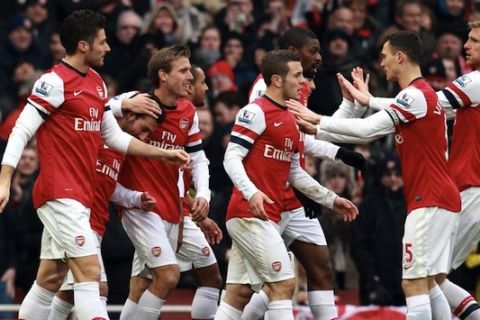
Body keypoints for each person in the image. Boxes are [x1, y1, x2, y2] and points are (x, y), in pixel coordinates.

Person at [0, 10, 188, 320]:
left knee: (49, 278)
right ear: (84, 45)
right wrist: (5, 178)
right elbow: (21, 129)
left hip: (80, 197)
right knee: (89, 273)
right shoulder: (53, 81)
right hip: (60, 193)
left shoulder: (97, 84)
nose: (108, 47)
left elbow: (115, 137)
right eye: (102, 41)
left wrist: (164, 154)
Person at [289, 31, 462, 320]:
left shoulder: (414, 95)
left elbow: (367, 131)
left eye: (383, 56)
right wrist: (366, 101)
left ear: (399, 56)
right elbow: (386, 113)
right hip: (440, 198)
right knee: (431, 284)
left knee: (413, 283)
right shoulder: (422, 95)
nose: (381, 63)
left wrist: (316, 120)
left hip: (429, 200)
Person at [215, 49, 358, 320]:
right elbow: (231, 157)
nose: (302, 81)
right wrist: (252, 191)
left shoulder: (291, 120)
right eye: (297, 75)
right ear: (277, 80)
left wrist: (331, 199)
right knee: (283, 284)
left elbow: (293, 172)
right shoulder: (254, 112)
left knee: (237, 294)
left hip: (267, 213)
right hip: (249, 214)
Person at [362, 19, 480, 319]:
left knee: (422, 276)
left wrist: (370, 100)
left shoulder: (476, 81)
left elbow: (427, 103)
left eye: (474, 40)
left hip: (469, 187)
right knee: (433, 278)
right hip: (465, 190)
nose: (466, 46)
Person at [112, 45, 212, 320]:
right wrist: (123, 104)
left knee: (144, 283)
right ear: (163, 75)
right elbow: (96, 110)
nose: (190, 77)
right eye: (183, 71)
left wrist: (202, 194)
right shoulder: (135, 102)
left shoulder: (188, 112)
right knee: (168, 276)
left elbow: (197, 158)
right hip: (139, 206)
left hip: (170, 205)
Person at [48, 93, 163, 319]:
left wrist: (136, 198)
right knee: (97, 287)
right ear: (129, 114)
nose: (144, 136)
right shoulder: (95, 132)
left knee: (67, 292)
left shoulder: (121, 149)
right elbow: (88, 106)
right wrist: (122, 104)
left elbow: (110, 187)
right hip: (76, 217)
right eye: (144, 127)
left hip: (97, 223)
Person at [351, 155, 407, 306]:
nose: (393, 178)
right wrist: (372, 280)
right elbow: (359, 246)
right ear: (380, 177)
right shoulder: (368, 207)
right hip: (375, 286)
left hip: (406, 287)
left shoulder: (411, 205)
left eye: (397, 174)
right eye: (388, 174)